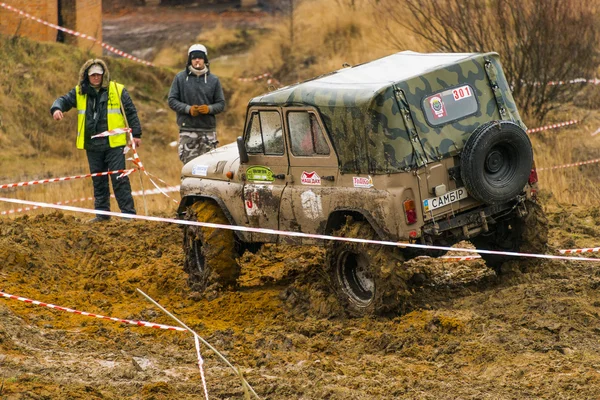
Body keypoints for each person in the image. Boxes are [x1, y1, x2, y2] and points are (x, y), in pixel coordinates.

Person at [50, 59, 142, 223]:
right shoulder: (79, 91)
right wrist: (56, 108)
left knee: (119, 179)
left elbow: (131, 112)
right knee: (99, 181)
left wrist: (136, 135)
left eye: (99, 74)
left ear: (103, 74)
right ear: (87, 75)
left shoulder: (117, 89)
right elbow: (63, 100)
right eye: (92, 75)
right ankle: (102, 215)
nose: (96, 78)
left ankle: (128, 215)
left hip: (114, 144)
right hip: (92, 145)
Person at [168, 44, 225, 164]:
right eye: (194, 58)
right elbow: (172, 100)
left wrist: (209, 109)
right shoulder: (180, 78)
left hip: (208, 131)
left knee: (209, 167)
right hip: (187, 129)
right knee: (189, 166)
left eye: (200, 57)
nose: (197, 60)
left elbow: (221, 103)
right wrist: (188, 109)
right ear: (190, 60)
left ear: (205, 59)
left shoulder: (214, 80)